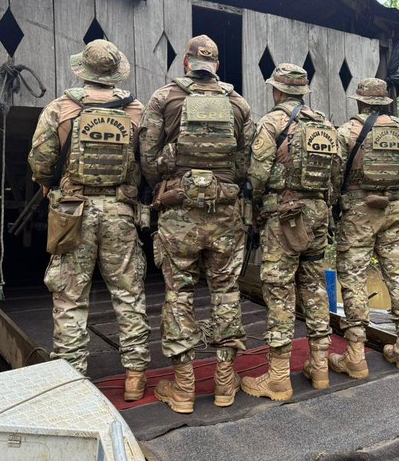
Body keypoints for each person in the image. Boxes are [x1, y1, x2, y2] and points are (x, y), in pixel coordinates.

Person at [29, 39, 151, 401]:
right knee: (128, 294)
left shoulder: (60, 108)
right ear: (114, 75)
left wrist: (52, 187)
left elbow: (40, 160)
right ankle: (134, 376)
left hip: (73, 212)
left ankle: (71, 381)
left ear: (82, 70)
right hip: (120, 212)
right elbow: (149, 162)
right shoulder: (136, 111)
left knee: (70, 298)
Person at [139, 35, 253, 414]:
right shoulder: (238, 104)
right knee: (225, 292)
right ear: (216, 66)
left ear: (187, 63)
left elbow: (149, 159)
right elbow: (243, 163)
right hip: (225, 216)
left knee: (179, 294)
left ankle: (184, 388)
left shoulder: (164, 98)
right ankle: (224, 384)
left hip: (178, 214)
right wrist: (219, 184)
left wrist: (172, 183)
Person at [241, 63, 342, 401]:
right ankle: (320, 367)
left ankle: (279, 378)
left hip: (284, 216)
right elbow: (336, 172)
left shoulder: (272, 123)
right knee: (314, 287)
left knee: (280, 291)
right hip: (317, 214)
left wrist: (256, 207)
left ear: (277, 90)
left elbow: (257, 174)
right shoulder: (326, 125)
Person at [329, 77, 399, 378]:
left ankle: (356, 354)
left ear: (359, 101)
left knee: (354, 277)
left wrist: (338, 201)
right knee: (398, 275)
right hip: (392, 209)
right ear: (383, 102)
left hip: (358, 213)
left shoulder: (346, 132)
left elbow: (332, 174)